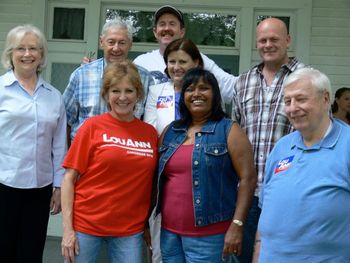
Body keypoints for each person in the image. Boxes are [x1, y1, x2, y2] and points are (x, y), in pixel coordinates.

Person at [61, 61, 158, 263]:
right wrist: (68, 230)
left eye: (129, 91)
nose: (122, 97)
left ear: (139, 94)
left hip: (129, 230)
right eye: (115, 91)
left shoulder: (149, 133)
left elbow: (152, 185)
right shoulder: (92, 127)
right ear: (106, 95)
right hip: (86, 225)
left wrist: (147, 225)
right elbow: (69, 179)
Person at [155, 68, 257, 262]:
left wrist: (237, 224)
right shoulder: (171, 131)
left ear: (215, 95)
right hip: (169, 233)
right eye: (190, 89)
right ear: (183, 95)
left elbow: (248, 179)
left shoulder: (229, 129)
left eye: (204, 88)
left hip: (211, 236)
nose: (196, 94)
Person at [254, 68, 350, 262]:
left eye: (301, 99)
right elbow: (266, 212)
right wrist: (257, 253)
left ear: (325, 99)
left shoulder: (347, 144)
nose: (292, 108)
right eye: (287, 101)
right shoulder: (282, 147)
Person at [231, 17, 305, 262]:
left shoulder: (305, 79)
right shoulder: (243, 82)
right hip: (248, 195)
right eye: (263, 40)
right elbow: (235, 137)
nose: (268, 45)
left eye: (274, 39)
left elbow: (318, 136)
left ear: (288, 40)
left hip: (289, 193)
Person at [0, 24, 67, 262]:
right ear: (10, 54)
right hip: (4, 185)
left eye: (33, 48)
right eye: (21, 48)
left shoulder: (53, 95)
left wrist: (59, 186)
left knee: (31, 252)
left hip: (40, 188)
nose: (27, 54)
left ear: (41, 55)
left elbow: (59, 146)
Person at [63, 18, 153, 143]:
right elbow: (65, 120)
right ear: (101, 42)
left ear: (130, 44)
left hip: (127, 154)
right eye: (111, 42)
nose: (116, 48)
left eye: (122, 42)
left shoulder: (144, 78)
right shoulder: (81, 75)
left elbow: (148, 121)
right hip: (85, 156)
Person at [134, 5, 237, 104]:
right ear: (155, 32)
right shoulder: (141, 62)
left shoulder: (197, 59)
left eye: (172, 24)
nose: (166, 28)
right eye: (162, 24)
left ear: (182, 32)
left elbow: (231, 87)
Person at [144, 38, 204, 134]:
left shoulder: (208, 91)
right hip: (164, 147)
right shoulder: (155, 91)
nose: (176, 67)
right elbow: (149, 129)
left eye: (182, 62)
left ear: (196, 62)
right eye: (172, 62)